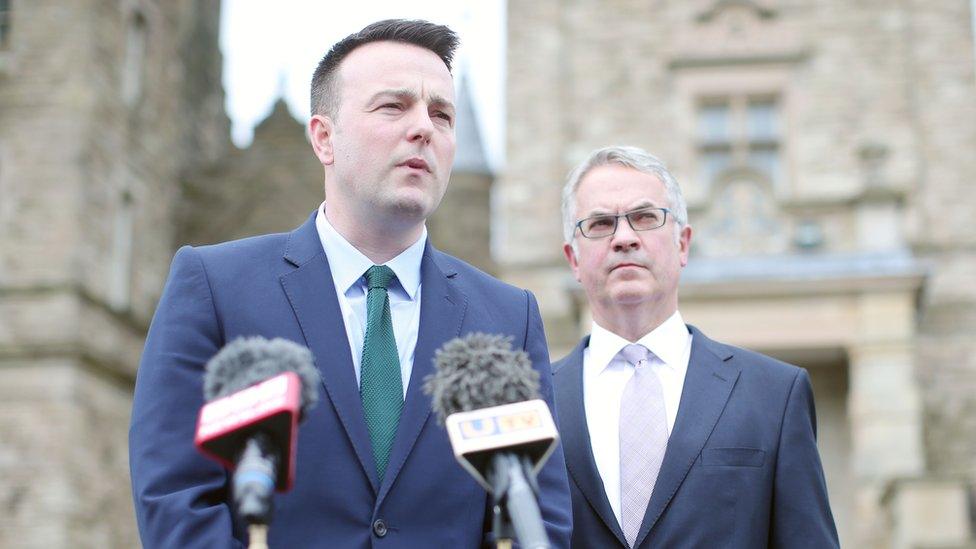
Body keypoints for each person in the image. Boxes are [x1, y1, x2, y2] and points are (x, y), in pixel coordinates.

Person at [129, 19, 572, 548]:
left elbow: (537, 520)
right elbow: (175, 502)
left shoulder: (509, 317)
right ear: (324, 138)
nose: (424, 128)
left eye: (442, 115)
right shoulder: (214, 286)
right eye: (393, 106)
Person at [551, 145, 838, 548]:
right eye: (600, 224)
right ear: (573, 259)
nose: (624, 238)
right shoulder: (531, 402)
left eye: (645, 217)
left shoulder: (774, 395)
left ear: (683, 243)